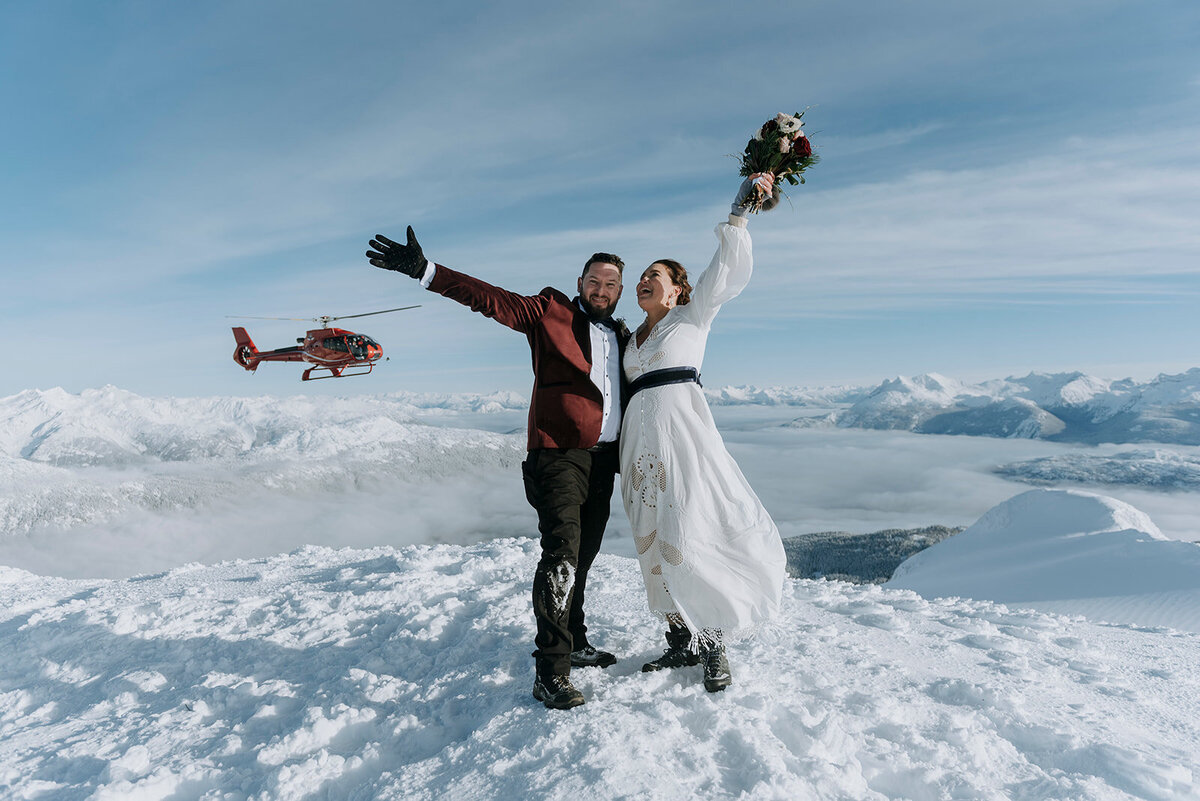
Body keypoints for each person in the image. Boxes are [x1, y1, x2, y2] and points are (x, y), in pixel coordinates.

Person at [367, 229, 630, 710]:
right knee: (562, 557)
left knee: (584, 555)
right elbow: (491, 300)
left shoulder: (623, 335)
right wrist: (426, 271)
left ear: (619, 292)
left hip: (603, 462)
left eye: (611, 284)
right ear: (580, 282)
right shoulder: (551, 312)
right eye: (594, 281)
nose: (601, 290)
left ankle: (574, 637)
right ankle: (551, 671)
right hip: (557, 456)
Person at [621, 174, 787, 693]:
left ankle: (712, 643)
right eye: (642, 275)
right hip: (639, 448)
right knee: (651, 539)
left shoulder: (694, 317)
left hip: (684, 439)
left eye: (656, 275)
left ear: (678, 289)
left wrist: (739, 213)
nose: (645, 280)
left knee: (691, 533)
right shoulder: (629, 340)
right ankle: (679, 640)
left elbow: (726, 272)